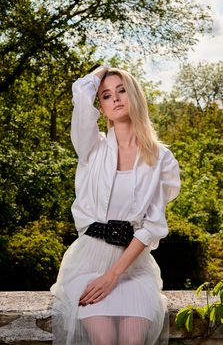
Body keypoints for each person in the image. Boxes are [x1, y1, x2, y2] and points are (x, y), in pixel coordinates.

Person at [50, 66, 181, 345]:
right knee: (104, 339)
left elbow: (152, 226)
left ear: (135, 96)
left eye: (122, 90)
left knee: (133, 339)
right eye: (107, 96)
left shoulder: (161, 159)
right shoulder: (91, 148)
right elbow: (81, 94)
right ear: (103, 108)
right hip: (89, 263)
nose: (116, 98)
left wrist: (114, 275)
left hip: (132, 267)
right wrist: (104, 71)